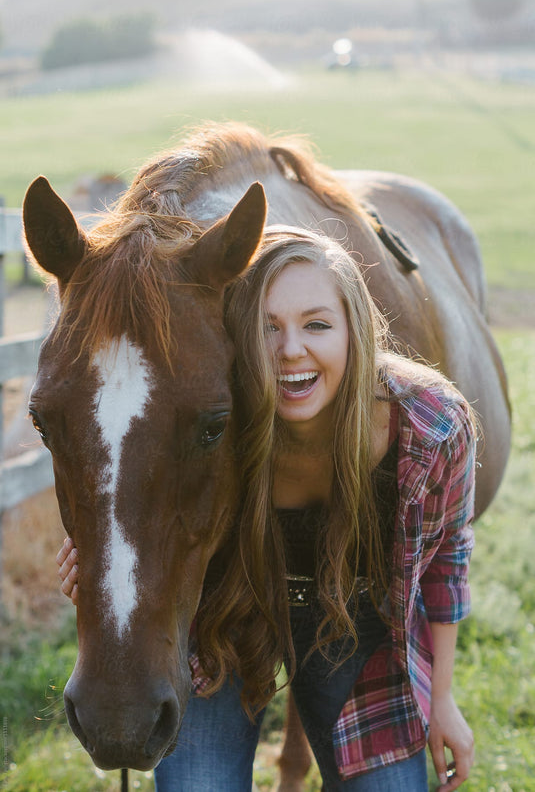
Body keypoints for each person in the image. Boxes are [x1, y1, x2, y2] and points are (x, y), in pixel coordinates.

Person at [57, 226, 476, 791]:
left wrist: (443, 698)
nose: (291, 350)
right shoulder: (216, 414)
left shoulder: (431, 428)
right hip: (230, 619)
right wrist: (102, 557)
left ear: (359, 331)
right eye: (267, 327)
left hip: (352, 625)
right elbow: (141, 483)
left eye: (317, 324)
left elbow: (448, 557)